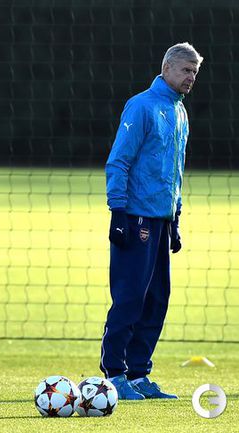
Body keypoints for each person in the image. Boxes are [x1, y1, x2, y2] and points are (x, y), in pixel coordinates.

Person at [100, 43, 203, 400]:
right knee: (130, 296)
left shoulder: (180, 113)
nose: (191, 78)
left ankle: (139, 374)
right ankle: (114, 374)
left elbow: (175, 171)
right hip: (135, 217)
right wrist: (118, 211)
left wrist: (176, 217)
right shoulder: (141, 106)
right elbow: (119, 161)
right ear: (167, 68)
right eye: (186, 70)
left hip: (161, 219)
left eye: (195, 72)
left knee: (157, 299)